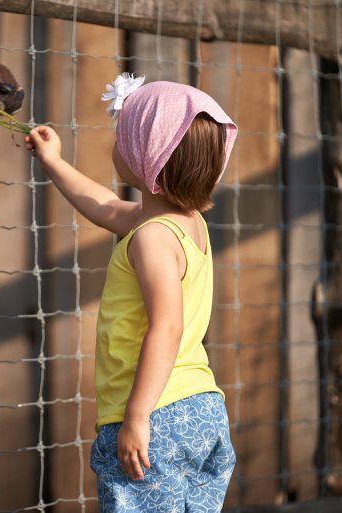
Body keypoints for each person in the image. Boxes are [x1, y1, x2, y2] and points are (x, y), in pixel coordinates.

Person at [25, 73, 238, 513]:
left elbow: (167, 327)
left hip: (155, 413)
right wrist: (54, 162)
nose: (115, 144)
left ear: (147, 154)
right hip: (200, 408)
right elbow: (105, 207)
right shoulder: (184, 225)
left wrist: (138, 417)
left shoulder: (152, 238)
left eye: (123, 136)